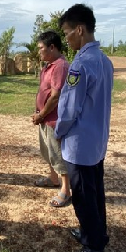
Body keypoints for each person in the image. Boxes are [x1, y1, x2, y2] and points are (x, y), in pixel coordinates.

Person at [54, 3, 114, 252]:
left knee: (83, 195)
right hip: (97, 141)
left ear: (79, 30)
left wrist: (59, 132)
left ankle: (92, 250)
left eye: (67, 33)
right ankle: (97, 234)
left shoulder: (80, 64)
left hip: (79, 144)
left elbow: (69, 108)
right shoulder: (105, 61)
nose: (66, 39)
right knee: (95, 191)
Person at [31, 30, 72, 208]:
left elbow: (55, 96)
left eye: (41, 48)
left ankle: (65, 190)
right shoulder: (48, 65)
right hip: (44, 119)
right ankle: (53, 179)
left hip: (53, 120)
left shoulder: (60, 66)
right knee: (48, 152)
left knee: (58, 156)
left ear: (52, 47)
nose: (39, 51)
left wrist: (41, 114)